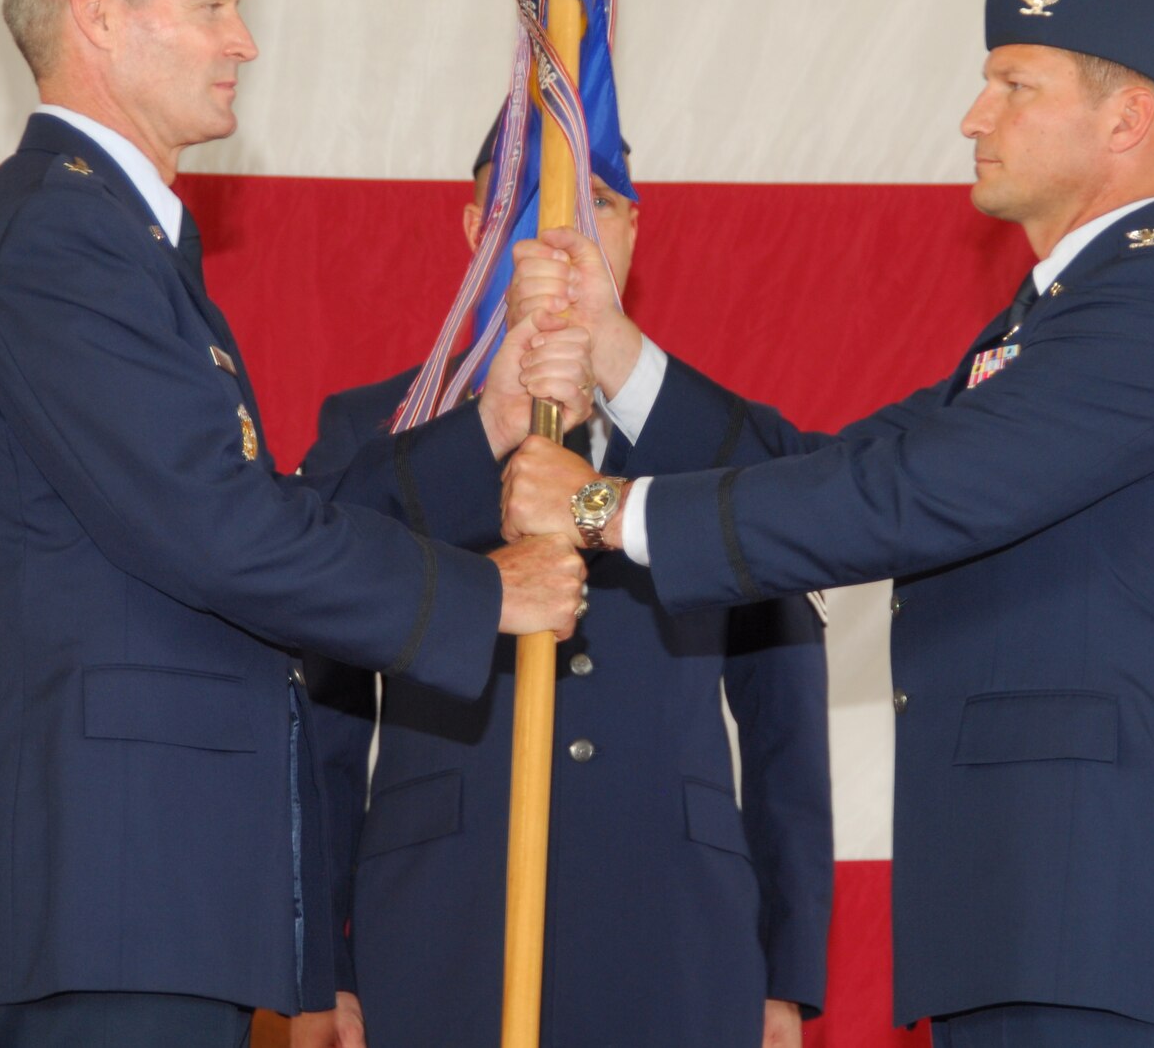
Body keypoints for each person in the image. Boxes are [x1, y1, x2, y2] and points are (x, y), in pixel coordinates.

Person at [500, 0, 1154, 1047]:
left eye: (1014, 84)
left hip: (1108, 933)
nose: (974, 116)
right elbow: (833, 464)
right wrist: (615, 348)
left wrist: (602, 512)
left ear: (1125, 123)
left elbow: (907, 496)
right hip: (1039, 923)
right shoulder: (1059, 320)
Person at [0, 0, 588, 1048]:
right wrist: (485, 593)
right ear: (97, 15)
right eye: (213, 2)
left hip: (153, 884)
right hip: (117, 884)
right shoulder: (63, 245)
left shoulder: (109, 236)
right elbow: (218, 531)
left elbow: (246, 509)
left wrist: (481, 433)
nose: (244, 43)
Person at [296, 124, 832, 1048]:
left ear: (633, 233)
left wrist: (785, 968)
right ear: (475, 232)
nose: (561, 234)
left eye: (598, 207)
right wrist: (321, 967)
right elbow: (324, 717)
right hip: (439, 921)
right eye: (526, 209)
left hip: (678, 926)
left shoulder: (714, 441)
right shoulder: (378, 439)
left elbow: (783, 706)